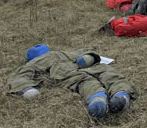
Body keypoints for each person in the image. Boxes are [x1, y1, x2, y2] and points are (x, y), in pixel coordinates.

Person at [8, 44, 136, 119]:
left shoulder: (34, 62)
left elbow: (20, 76)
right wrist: (88, 58)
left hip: (70, 74)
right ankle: (121, 95)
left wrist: (27, 90)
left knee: (87, 83)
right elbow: (86, 51)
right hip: (86, 69)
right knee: (109, 76)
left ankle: (99, 100)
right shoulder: (62, 53)